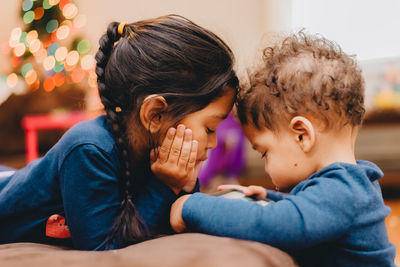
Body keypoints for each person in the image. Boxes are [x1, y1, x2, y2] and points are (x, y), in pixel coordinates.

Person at [0, 15, 238, 250]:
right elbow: (103, 248)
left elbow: (174, 219)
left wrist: (182, 185)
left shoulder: (157, 151)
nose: (213, 143)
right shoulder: (89, 149)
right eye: (209, 128)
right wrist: (165, 186)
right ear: (155, 114)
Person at [169, 32, 396, 266]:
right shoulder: (348, 185)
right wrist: (269, 197)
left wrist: (193, 206)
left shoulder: (344, 192)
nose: (267, 167)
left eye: (265, 153)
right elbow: (307, 206)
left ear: (302, 135)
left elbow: (276, 224)